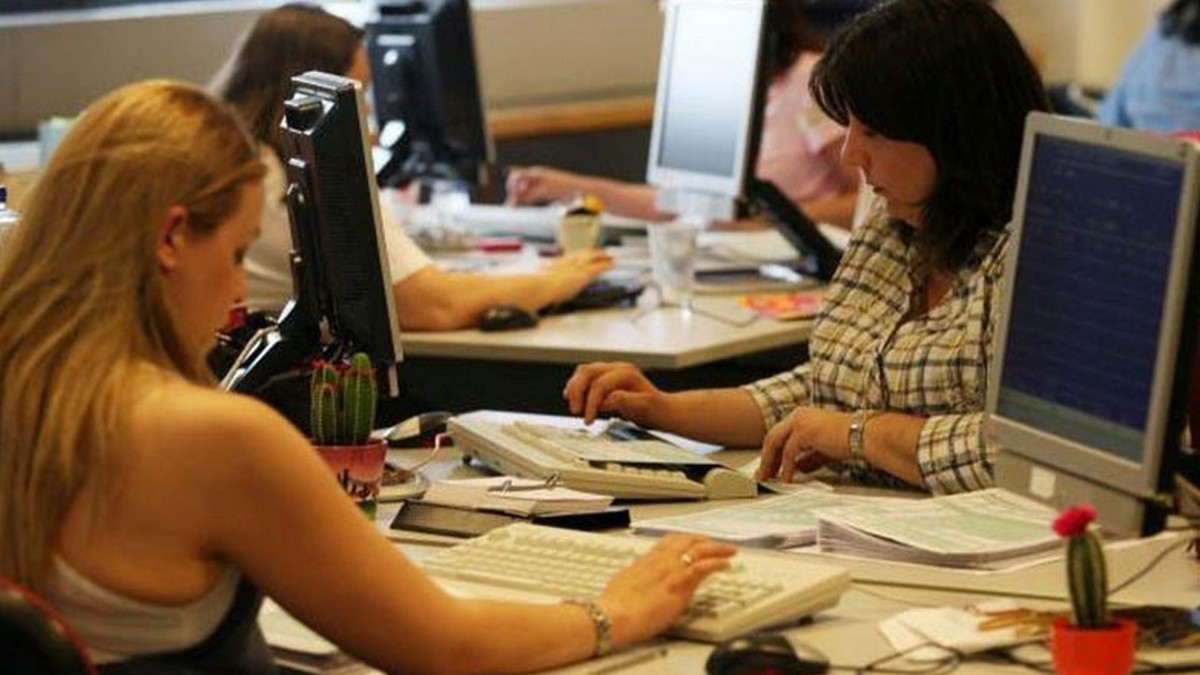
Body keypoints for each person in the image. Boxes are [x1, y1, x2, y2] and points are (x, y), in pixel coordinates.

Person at [0, 79, 735, 672]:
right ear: (170, 238)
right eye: (235, 253)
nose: (238, 291)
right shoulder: (211, 436)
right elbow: (447, 647)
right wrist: (616, 611)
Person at [563, 0, 1050, 495]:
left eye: (872, 132)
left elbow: (1024, 451)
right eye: (849, 127)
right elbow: (827, 390)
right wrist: (664, 408)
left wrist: (857, 436)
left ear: (952, 132)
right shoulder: (896, 226)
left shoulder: (1034, 259)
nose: (851, 154)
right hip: (860, 514)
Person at [210, 3, 613, 332]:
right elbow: (431, 306)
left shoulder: (245, 159)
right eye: (359, 96)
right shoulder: (306, 172)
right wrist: (556, 281)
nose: (367, 117)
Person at [504, 0, 860, 229]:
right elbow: (673, 203)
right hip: (729, 262)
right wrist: (564, 187)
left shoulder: (809, 82)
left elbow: (866, 205)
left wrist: (772, 222)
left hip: (786, 270)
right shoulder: (720, 88)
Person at [1097, 0, 1200, 133]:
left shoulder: (1162, 32)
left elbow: (1110, 119)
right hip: (1132, 137)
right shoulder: (1163, 30)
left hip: (1154, 139)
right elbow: (1110, 118)